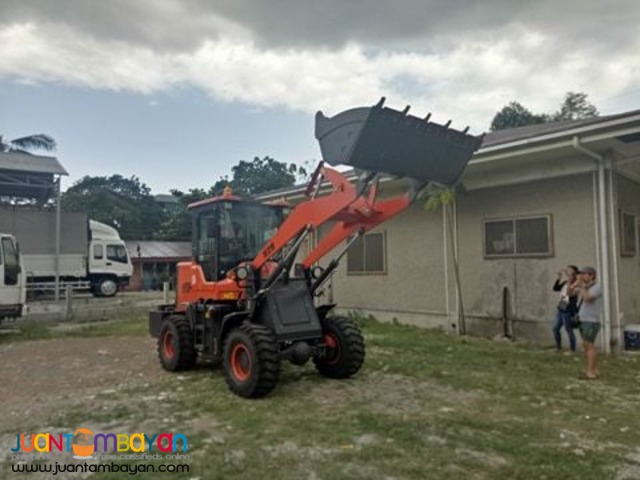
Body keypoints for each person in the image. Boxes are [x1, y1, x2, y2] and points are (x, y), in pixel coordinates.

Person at [574, 266, 603, 379]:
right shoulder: (585, 287)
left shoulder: (596, 287)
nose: (582, 276)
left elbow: (587, 298)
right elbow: (570, 293)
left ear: (591, 275)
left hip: (591, 321)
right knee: (586, 345)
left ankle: (590, 371)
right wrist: (574, 284)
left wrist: (582, 287)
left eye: (585, 274)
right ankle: (594, 369)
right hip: (583, 319)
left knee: (589, 345)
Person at [552, 265, 579, 353]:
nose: (568, 274)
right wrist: (558, 278)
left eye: (570, 273)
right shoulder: (565, 282)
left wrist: (571, 284)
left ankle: (572, 349)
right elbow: (556, 288)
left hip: (568, 309)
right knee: (555, 328)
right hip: (561, 306)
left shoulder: (576, 284)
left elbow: (570, 293)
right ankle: (558, 347)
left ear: (574, 274)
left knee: (568, 329)